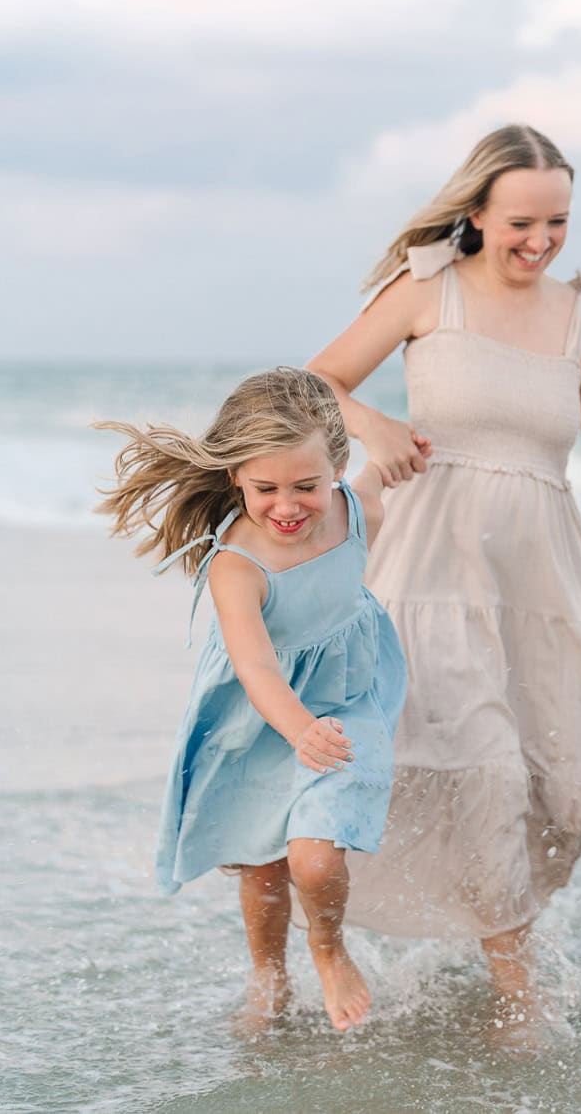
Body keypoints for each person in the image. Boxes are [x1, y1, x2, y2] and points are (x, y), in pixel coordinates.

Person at [306, 124, 581, 1032]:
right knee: (480, 770)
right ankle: (517, 990)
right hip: (434, 567)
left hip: (542, 578)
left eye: (557, 221)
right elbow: (315, 381)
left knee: (566, 786)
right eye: (522, 221)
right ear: (475, 212)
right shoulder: (427, 288)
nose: (541, 240)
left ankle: (482, 926)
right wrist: (376, 427)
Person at [96, 366, 405, 1034]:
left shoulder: (356, 509)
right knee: (260, 861)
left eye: (307, 486)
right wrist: (296, 727)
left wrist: (395, 448)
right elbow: (256, 664)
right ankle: (268, 972)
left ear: (334, 471)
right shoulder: (238, 562)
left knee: (314, 856)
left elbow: (378, 477)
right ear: (236, 475)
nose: (287, 505)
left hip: (349, 701)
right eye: (266, 488)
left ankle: (327, 949)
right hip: (258, 716)